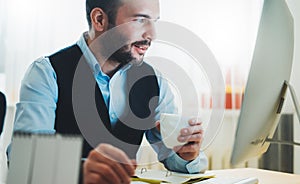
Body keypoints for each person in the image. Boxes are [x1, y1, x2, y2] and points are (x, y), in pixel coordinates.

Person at [12, 0, 208, 183]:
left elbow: (174, 158)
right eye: (140, 20)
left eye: (154, 22)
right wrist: (80, 172)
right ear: (99, 20)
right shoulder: (47, 73)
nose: (152, 35)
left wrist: (186, 155)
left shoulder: (154, 81)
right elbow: (24, 162)